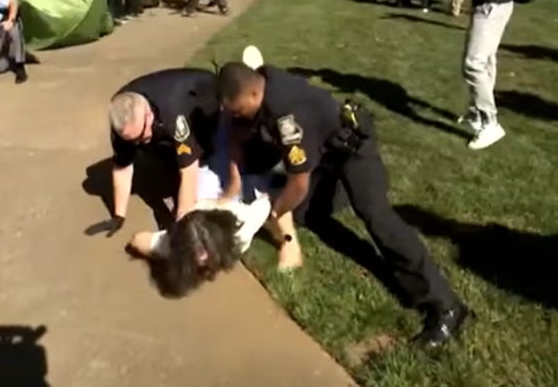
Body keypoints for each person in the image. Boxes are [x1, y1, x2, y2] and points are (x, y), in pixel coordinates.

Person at [215, 45, 470, 348]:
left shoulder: (286, 116)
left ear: (254, 95)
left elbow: (298, 182)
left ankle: (446, 305)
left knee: (376, 216)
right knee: (304, 214)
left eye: (238, 110)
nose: (236, 116)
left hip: (352, 150)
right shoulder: (260, 79)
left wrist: (276, 211)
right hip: (326, 152)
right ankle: (340, 194)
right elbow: (239, 129)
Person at [93, 68, 223, 237]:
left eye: (139, 136)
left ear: (149, 116)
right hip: (165, 109)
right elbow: (122, 166)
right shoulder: (121, 118)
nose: (137, 143)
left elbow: (189, 171)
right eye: (131, 140)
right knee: (163, 156)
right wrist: (118, 215)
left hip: (206, 103)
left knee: (205, 157)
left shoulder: (173, 113)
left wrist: (180, 226)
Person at [128, 153, 274, 297]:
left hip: (220, 199)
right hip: (228, 194)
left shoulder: (170, 246)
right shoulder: (242, 226)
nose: (201, 255)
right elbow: (137, 242)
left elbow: (137, 241)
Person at [434, 0, 513, 149]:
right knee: (485, 61)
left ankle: (491, 122)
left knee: (473, 64)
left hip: (494, 4)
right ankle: (477, 113)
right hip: (485, 3)